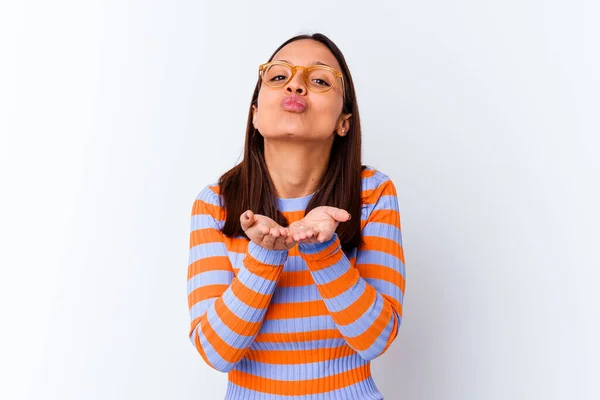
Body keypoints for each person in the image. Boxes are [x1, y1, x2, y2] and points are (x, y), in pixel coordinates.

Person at [186, 32, 406, 399]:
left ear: (344, 122)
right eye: (278, 76)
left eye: (318, 79)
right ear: (255, 114)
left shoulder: (372, 194)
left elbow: (377, 339)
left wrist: (324, 252)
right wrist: (266, 256)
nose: (296, 84)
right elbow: (216, 351)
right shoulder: (216, 204)